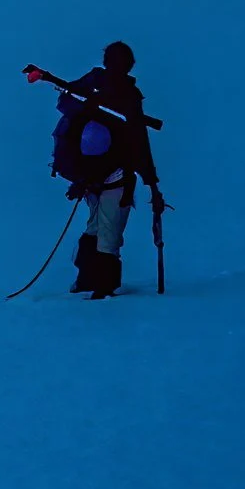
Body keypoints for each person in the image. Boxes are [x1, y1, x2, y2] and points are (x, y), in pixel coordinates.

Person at [56, 42, 159, 300]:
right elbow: (139, 142)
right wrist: (151, 183)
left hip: (105, 178)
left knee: (102, 231)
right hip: (101, 178)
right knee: (102, 231)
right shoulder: (104, 88)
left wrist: (151, 182)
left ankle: (98, 286)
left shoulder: (111, 89)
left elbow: (138, 141)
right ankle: (95, 284)